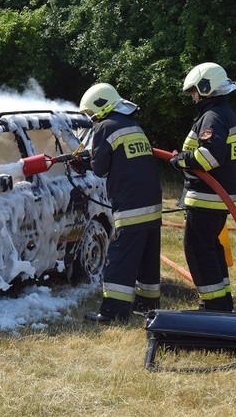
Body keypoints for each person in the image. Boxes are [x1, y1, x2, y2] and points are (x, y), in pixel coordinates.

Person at [79, 83, 162, 323]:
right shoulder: (132, 125)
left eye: (90, 113)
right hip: (151, 203)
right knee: (147, 257)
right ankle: (147, 305)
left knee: (121, 257)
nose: (91, 118)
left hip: (131, 205)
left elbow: (100, 168)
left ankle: (113, 312)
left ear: (100, 107)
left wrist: (85, 161)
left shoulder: (105, 127)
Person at [169, 62, 236, 311]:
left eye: (194, 92)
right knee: (210, 247)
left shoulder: (212, 116)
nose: (192, 97)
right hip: (217, 195)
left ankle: (213, 306)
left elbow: (209, 157)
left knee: (198, 249)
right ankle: (222, 301)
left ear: (206, 87)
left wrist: (180, 161)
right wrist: (185, 158)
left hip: (209, 196)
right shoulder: (223, 112)